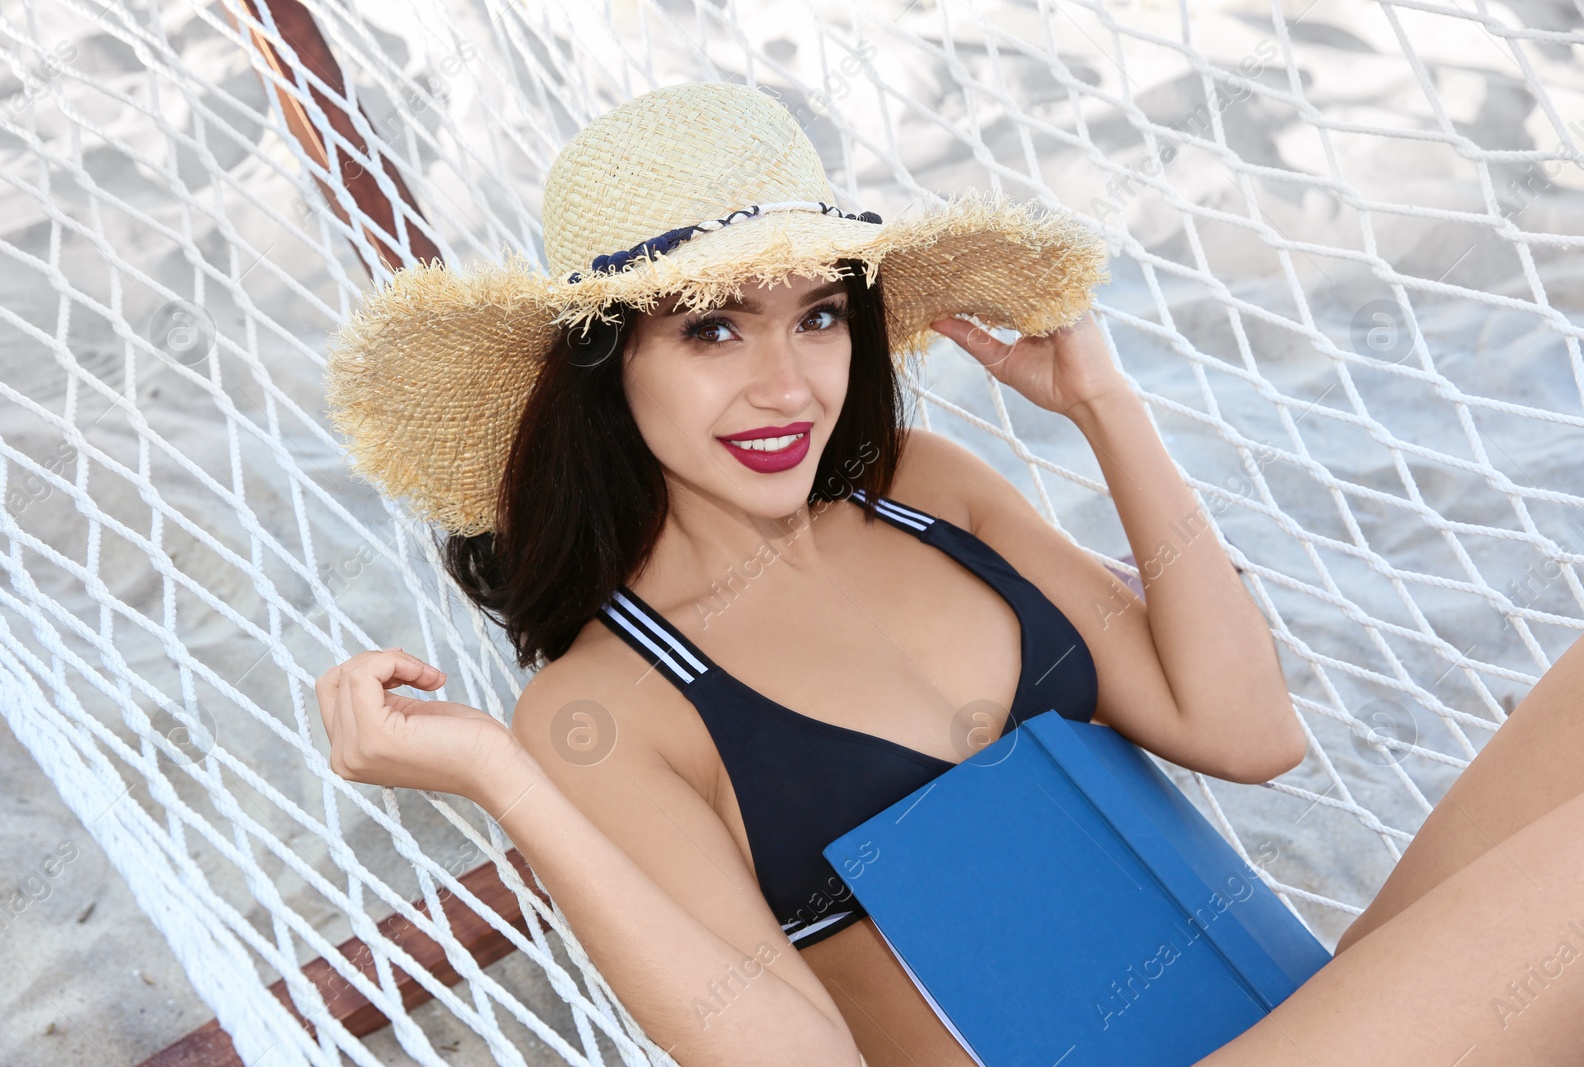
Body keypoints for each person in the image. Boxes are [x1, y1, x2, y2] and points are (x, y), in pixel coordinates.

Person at [315, 82, 1584, 1067]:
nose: (785, 382)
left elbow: (1244, 731)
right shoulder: (608, 707)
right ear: (601, 367)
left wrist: (1104, 407)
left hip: (1282, 1012)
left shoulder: (921, 490)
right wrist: (502, 777)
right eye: (712, 328)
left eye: (817, 314)